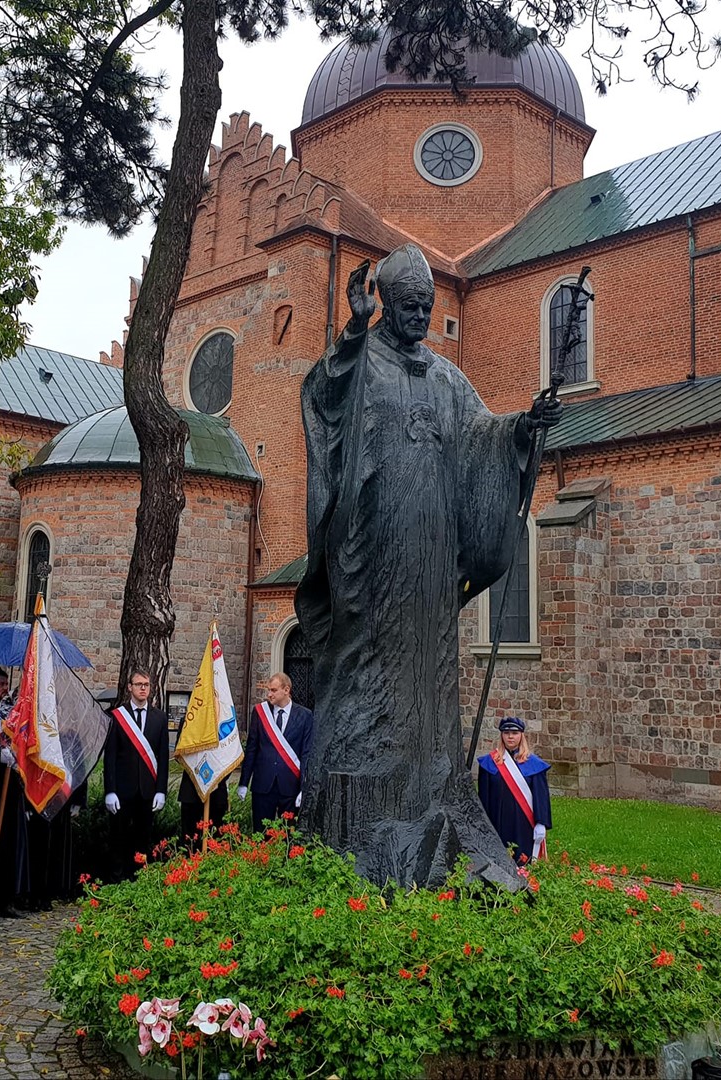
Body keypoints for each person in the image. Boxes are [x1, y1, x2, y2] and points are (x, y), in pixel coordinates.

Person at [295, 244, 562, 887]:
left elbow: (482, 435)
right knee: (368, 661)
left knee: (433, 661)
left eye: (427, 308)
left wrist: (524, 429)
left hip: (435, 548)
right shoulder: (360, 362)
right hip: (375, 546)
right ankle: (366, 780)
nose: (420, 317)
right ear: (385, 301)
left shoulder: (447, 379)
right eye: (409, 307)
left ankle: (428, 775)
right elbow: (323, 397)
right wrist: (354, 330)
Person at [102, 670, 169, 881]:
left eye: (146, 684)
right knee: (119, 840)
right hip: (122, 791)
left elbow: (163, 757)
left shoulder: (160, 718)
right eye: (138, 684)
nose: (143, 688)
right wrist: (110, 791)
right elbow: (110, 757)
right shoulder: (117, 716)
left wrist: (161, 790)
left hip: (148, 791)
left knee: (143, 840)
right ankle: (116, 883)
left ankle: (139, 883)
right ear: (129, 687)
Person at [237, 673, 314, 827]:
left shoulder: (305, 715)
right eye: (268, 690)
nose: (269, 694)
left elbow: (306, 754)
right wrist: (243, 782)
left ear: (286, 690)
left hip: (290, 786)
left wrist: (303, 788)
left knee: (289, 836)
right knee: (260, 834)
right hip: (263, 786)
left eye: (273, 690)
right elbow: (252, 748)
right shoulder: (260, 713)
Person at [476, 717, 552, 865]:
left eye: (515, 733)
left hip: (523, 822)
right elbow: (483, 798)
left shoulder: (534, 764)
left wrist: (541, 823)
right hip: (497, 821)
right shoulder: (488, 763)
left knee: (522, 859)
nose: (510, 736)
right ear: (501, 735)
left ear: (521, 735)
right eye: (506, 732)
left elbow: (541, 797)